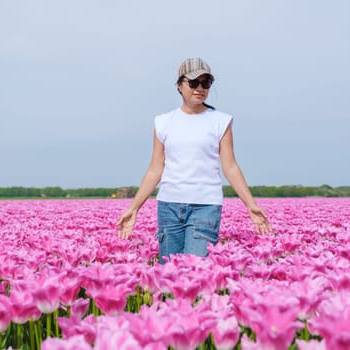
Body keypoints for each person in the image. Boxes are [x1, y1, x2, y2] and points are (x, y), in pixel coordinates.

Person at [116, 58, 271, 263]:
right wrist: (134, 207)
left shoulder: (220, 121)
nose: (200, 88)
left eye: (205, 83)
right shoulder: (163, 122)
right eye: (193, 82)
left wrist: (251, 205)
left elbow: (230, 166)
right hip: (169, 206)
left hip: (205, 206)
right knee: (168, 273)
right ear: (179, 86)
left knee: (195, 272)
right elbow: (155, 170)